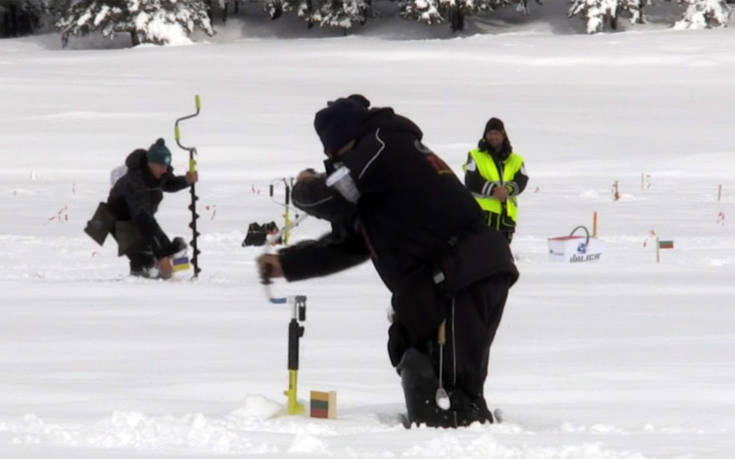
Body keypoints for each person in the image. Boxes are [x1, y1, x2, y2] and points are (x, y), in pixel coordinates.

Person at [257, 95, 519, 428]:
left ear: (345, 140)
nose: (333, 164)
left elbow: (330, 196)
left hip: (464, 271)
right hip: (451, 277)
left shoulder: (383, 145)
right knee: (412, 349)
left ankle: (463, 434)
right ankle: (447, 428)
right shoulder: (376, 180)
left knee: (453, 387)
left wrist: (304, 188)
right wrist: (286, 264)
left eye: (333, 155)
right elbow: (350, 244)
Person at [105, 138, 197, 278]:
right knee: (146, 260)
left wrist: (185, 181)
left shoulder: (157, 172)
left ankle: (174, 265)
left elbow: (168, 183)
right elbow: (143, 220)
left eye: (167, 166)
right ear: (150, 163)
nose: (165, 170)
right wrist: (162, 257)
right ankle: (144, 280)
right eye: (161, 166)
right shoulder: (135, 182)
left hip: (141, 218)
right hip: (117, 220)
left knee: (168, 250)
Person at [463, 118, 528, 243]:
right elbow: (471, 180)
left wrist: (507, 190)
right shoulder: (475, 155)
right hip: (482, 216)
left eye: (496, 133)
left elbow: (522, 180)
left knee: (502, 257)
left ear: (503, 134)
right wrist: (493, 190)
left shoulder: (516, 160)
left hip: (506, 218)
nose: (493, 137)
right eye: (489, 134)